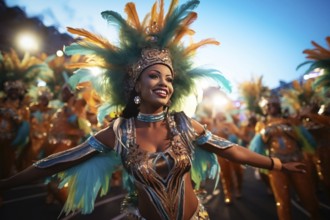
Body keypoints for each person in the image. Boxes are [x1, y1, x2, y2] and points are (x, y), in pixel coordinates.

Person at [0, 1, 307, 219]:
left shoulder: (185, 125)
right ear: (135, 83)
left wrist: (277, 164)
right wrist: (6, 183)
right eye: (154, 75)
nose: (165, 83)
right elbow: (56, 162)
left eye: (170, 78)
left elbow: (231, 151)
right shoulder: (120, 132)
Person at [249, 93, 320, 220]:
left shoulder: (291, 120)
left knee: (308, 197)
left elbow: (304, 138)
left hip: (297, 161)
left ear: (278, 105)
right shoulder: (261, 124)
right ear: (263, 109)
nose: (270, 107)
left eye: (273, 104)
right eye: (267, 105)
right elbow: (258, 147)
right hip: (276, 167)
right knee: (283, 202)